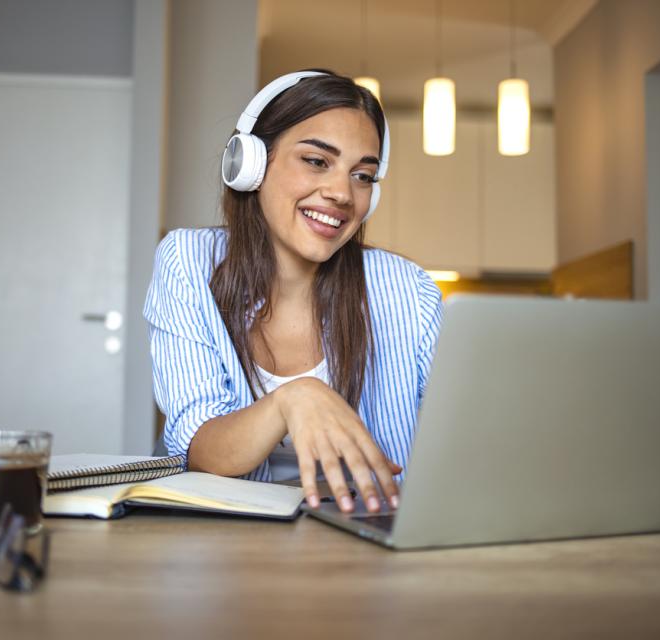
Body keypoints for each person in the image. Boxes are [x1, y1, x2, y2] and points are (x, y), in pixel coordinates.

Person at [144, 70, 443, 514]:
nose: (342, 193)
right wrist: (294, 398)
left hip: (369, 539)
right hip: (228, 544)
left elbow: (464, 437)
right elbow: (199, 446)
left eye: (363, 175)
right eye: (317, 161)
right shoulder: (188, 262)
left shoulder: (408, 290)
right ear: (251, 166)